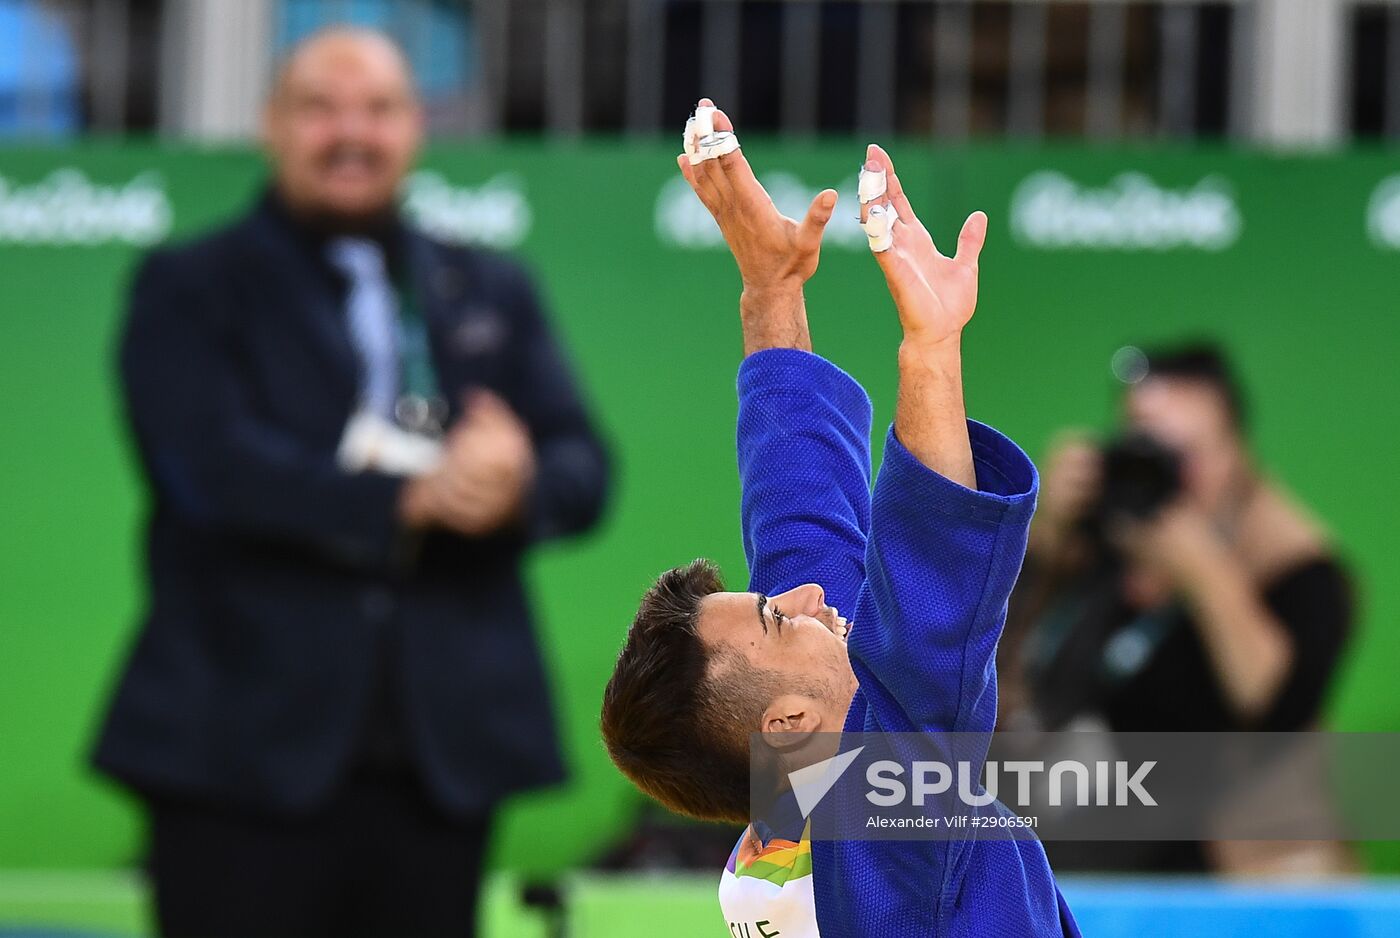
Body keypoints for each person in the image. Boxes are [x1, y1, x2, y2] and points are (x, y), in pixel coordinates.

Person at [92, 28, 609, 938]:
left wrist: (513, 485)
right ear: (271, 126)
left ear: (415, 127)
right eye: (320, 107)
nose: (351, 134)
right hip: (236, 752)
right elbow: (203, 468)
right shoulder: (190, 284)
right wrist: (406, 498)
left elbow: (583, 467)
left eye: (378, 109)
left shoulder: (487, 285)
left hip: (440, 758)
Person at [601, 100, 1078, 937]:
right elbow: (931, 631)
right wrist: (931, 350)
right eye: (782, 618)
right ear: (787, 725)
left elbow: (800, 517)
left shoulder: (788, 818)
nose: (811, 596)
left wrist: (771, 292)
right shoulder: (885, 837)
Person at [998, 344, 1354, 872]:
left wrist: (1206, 574)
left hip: (1228, 869)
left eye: (1183, 456)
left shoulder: (1299, 570)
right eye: (1145, 451)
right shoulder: (1101, 542)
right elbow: (994, 674)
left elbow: (1278, 713)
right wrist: (1045, 538)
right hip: (1078, 847)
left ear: (1235, 454)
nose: (1164, 476)